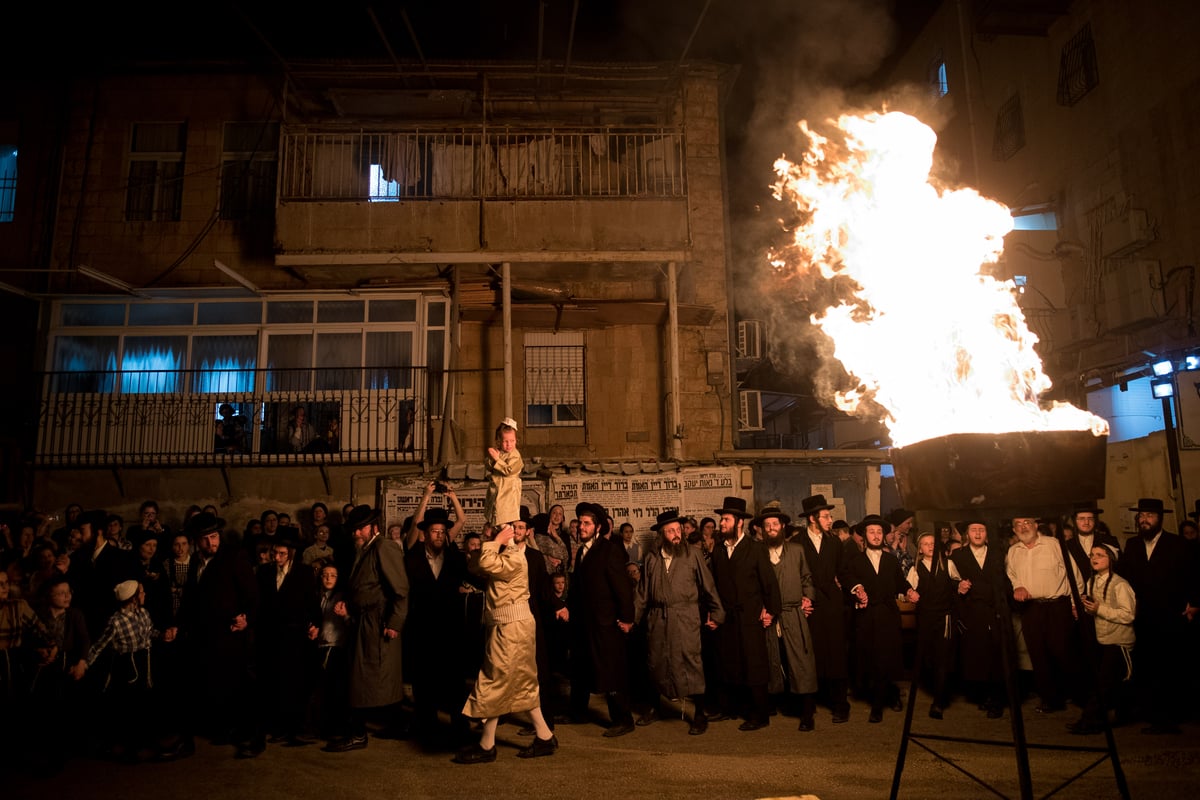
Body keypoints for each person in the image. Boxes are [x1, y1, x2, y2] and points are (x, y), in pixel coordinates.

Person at [454, 522, 558, 763]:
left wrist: (496, 540)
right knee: (519, 681)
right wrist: (488, 538)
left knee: (495, 679)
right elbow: (473, 565)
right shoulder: (503, 552)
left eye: (497, 528)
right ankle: (543, 736)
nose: (491, 533)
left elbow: (484, 563)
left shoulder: (514, 556)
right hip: (509, 626)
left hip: (512, 628)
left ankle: (487, 745)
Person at [168, 511, 260, 759]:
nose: (212, 543)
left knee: (239, 688)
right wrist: (177, 625)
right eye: (206, 539)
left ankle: (251, 738)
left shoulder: (234, 557)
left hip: (230, 636)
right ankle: (217, 731)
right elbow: (190, 599)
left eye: (215, 536)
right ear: (196, 541)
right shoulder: (196, 562)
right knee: (208, 686)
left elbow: (252, 595)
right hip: (203, 637)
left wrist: (247, 618)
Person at [325, 504, 409, 752]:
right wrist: (350, 606)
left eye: (359, 529)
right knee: (375, 678)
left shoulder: (384, 547)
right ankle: (397, 725)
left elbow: (401, 590)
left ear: (373, 528)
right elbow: (365, 586)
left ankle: (358, 733)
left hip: (378, 622)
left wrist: (394, 623)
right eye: (354, 530)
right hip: (364, 620)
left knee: (363, 678)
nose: (355, 534)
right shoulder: (364, 549)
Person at [633, 509, 724, 735]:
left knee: (691, 661)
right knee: (656, 662)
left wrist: (718, 613)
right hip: (658, 619)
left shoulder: (692, 554)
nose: (676, 534)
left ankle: (700, 714)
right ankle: (655, 708)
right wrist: (631, 620)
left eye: (678, 530)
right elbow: (642, 594)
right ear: (662, 534)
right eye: (670, 531)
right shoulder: (652, 557)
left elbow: (708, 586)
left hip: (686, 617)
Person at [1116, 498, 1199, 735]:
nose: (1144, 520)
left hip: (1171, 615)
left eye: (1149, 515)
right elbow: (1124, 577)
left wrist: (1194, 604)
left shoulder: (1178, 544)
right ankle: (1154, 714)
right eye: (1141, 515)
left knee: (1171, 666)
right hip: (1143, 617)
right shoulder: (1132, 544)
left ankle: (1171, 718)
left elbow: (1193, 575)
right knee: (1148, 666)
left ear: (1160, 518)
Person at [708, 497, 782, 731]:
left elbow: (770, 584)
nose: (721, 523)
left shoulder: (756, 549)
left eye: (726, 519)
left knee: (754, 666)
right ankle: (731, 708)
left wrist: (771, 611)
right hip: (727, 618)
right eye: (721, 519)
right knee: (729, 663)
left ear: (739, 523)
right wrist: (713, 613)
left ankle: (760, 715)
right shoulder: (719, 549)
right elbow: (714, 585)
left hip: (750, 618)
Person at [567, 500, 636, 736]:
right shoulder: (582, 553)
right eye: (580, 523)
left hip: (606, 625)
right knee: (581, 669)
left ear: (598, 528)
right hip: (585, 624)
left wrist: (627, 619)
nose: (581, 527)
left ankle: (623, 719)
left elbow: (623, 590)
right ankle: (577, 712)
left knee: (611, 671)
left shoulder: (609, 551)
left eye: (587, 524)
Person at [404, 505, 470, 745]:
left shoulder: (455, 557)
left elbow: (470, 577)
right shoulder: (413, 557)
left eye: (443, 531)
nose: (439, 535)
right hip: (422, 629)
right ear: (426, 533)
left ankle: (459, 726)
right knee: (424, 680)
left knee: (454, 679)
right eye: (435, 531)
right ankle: (426, 725)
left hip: (450, 629)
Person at [86, 579, 171, 762]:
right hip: (128, 666)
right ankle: (131, 747)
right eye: (141, 592)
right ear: (132, 598)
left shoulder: (143, 613)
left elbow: (150, 632)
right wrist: (84, 663)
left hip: (145, 664)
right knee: (130, 705)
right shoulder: (116, 621)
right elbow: (99, 645)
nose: (144, 594)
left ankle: (147, 741)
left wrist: (162, 635)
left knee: (146, 703)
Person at [1006, 514, 1082, 715]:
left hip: (1057, 605)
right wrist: (1018, 586)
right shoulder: (1013, 552)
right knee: (1038, 655)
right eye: (1018, 524)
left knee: (1064, 652)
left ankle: (1081, 695)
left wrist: (1076, 603)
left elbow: (1074, 574)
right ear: (1014, 530)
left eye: (1027, 523)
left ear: (1036, 525)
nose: (1023, 527)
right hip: (1031, 609)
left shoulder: (1053, 544)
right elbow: (1011, 575)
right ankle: (1051, 699)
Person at [754, 501, 818, 731]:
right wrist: (762, 608)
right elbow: (753, 586)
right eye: (767, 525)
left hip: (793, 614)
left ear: (782, 526)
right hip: (770, 616)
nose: (771, 528)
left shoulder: (797, 551)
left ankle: (807, 713)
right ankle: (772, 704)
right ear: (761, 529)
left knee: (801, 662)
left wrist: (807, 598)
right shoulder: (757, 552)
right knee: (773, 660)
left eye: (775, 524)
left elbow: (807, 580)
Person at [256, 527, 318, 747]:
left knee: (294, 684)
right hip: (271, 637)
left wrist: (315, 625)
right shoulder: (264, 573)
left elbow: (313, 602)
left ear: (291, 553)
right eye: (275, 553)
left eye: (282, 553)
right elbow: (260, 605)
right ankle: (278, 728)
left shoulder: (303, 572)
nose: (277, 557)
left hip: (295, 638)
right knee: (273, 683)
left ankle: (297, 728)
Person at [792, 494, 851, 724]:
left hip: (833, 606)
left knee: (836, 655)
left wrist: (855, 588)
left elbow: (843, 571)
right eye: (825, 516)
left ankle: (840, 705)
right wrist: (802, 599)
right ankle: (808, 707)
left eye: (829, 516)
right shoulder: (796, 544)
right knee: (809, 656)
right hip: (809, 607)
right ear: (812, 519)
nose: (830, 520)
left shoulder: (835, 542)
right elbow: (792, 576)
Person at [843, 514, 907, 723]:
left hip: (888, 616)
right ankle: (878, 701)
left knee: (888, 658)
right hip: (866, 617)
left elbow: (900, 583)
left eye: (879, 532)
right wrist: (857, 590)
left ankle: (887, 698)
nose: (876, 535)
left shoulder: (891, 560)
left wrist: (911, 591)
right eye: (872, 532)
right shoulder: (855, 561)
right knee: (870, 659)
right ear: (864, 536)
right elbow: (847, 580)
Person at [1069, 543, 1136, 735]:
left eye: (1100, 555)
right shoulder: (1092, 582)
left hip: (1119, 641)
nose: (1094, 558)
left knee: (1105, 683)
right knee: (1109, 683)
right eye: (1092, 555)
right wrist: (1085, 608)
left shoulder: (1120, 584)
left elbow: (1128, 615)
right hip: (1103, 640)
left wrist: (1099, 609)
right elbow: (1095, 611)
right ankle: (1118, 715)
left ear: (1111, 560)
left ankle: (1089, 721)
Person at [947, 519, 1010, 718]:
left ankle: (996, 699)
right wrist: (958, 587)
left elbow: (1005, 581)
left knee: (997, 654)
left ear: (987, 534)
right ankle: (982, 695)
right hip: (972, 612)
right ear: (967, 534)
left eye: (981, 530)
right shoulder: (958, 555)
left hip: (995, 611)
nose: (977, 533)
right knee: (977, 655)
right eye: (973, 530)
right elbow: (949, 581)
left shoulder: (997, 554)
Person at [905, 531, 956, 719]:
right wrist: (910, 593)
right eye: (925, 544)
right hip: (925, 618)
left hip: (944, 617)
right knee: (929, 658)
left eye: (933, 543)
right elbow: (906, 592)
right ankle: (934, 689)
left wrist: (962, 587)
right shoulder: (915, 569)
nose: (930, 546)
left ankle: (939, 702)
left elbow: (958, 586)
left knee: (943, 658)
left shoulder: (948, 565)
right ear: (920, 549)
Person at [484, 417, 523, 529]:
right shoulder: (499, 452)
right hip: (497, 490)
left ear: (516, 441)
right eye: (505, 441)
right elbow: (489, 467)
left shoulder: (515, 455)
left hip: (508, 492)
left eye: (512, 441)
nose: (509, 444)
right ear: (498, 441)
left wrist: (497, 459)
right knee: (495, 519)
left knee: (504, 520)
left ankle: (510, 542)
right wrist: (492, 458)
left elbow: (509, 470)